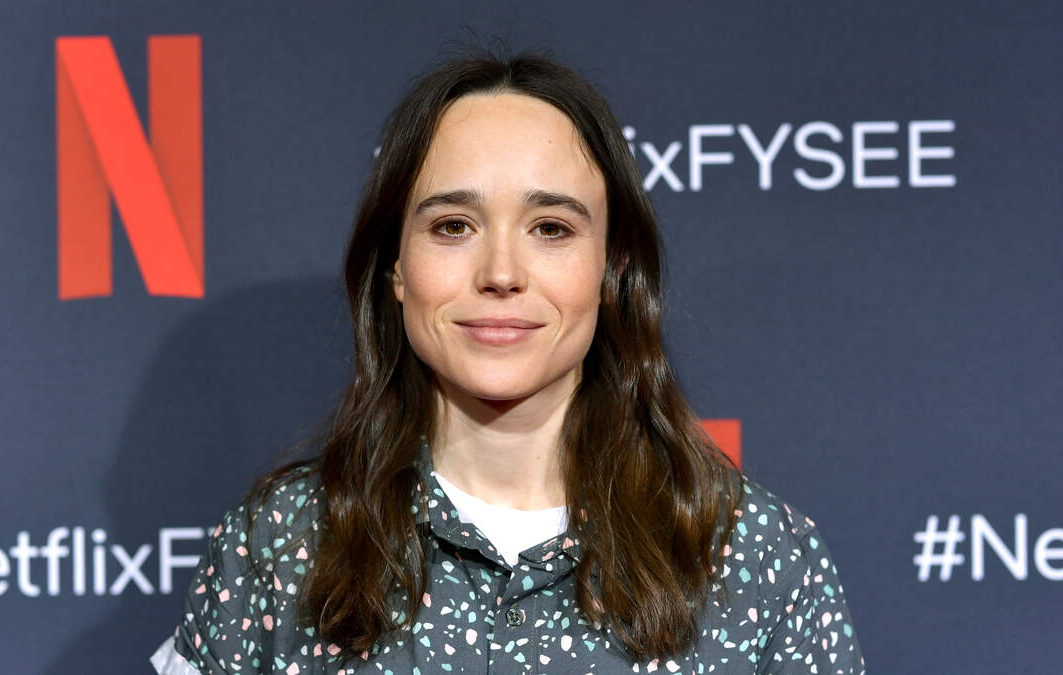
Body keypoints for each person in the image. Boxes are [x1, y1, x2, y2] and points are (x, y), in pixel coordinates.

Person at [151, 49, 865, 674]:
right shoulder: (279, 544)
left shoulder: (757, 557)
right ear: (396, 266)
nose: (500, 272)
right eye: (453, 226)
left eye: (550, 228)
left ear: (611, 268)